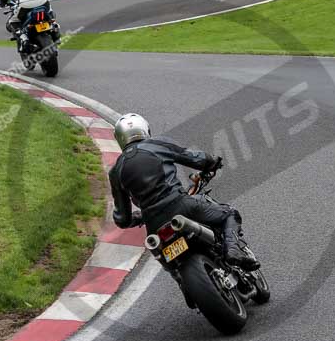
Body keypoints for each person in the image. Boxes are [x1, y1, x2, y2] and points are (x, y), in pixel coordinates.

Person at [109, 114, 260, 270]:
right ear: (145, 130)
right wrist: (212, 162)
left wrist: (140, 217)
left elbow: (122, 219)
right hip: (180, 204)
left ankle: (182, 279)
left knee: (170, 266)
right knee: (229, 214)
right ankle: (233, 251)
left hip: (153, 224)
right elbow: (194, 158)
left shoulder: (115, 171)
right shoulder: (156, 144)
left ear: (120, 139)